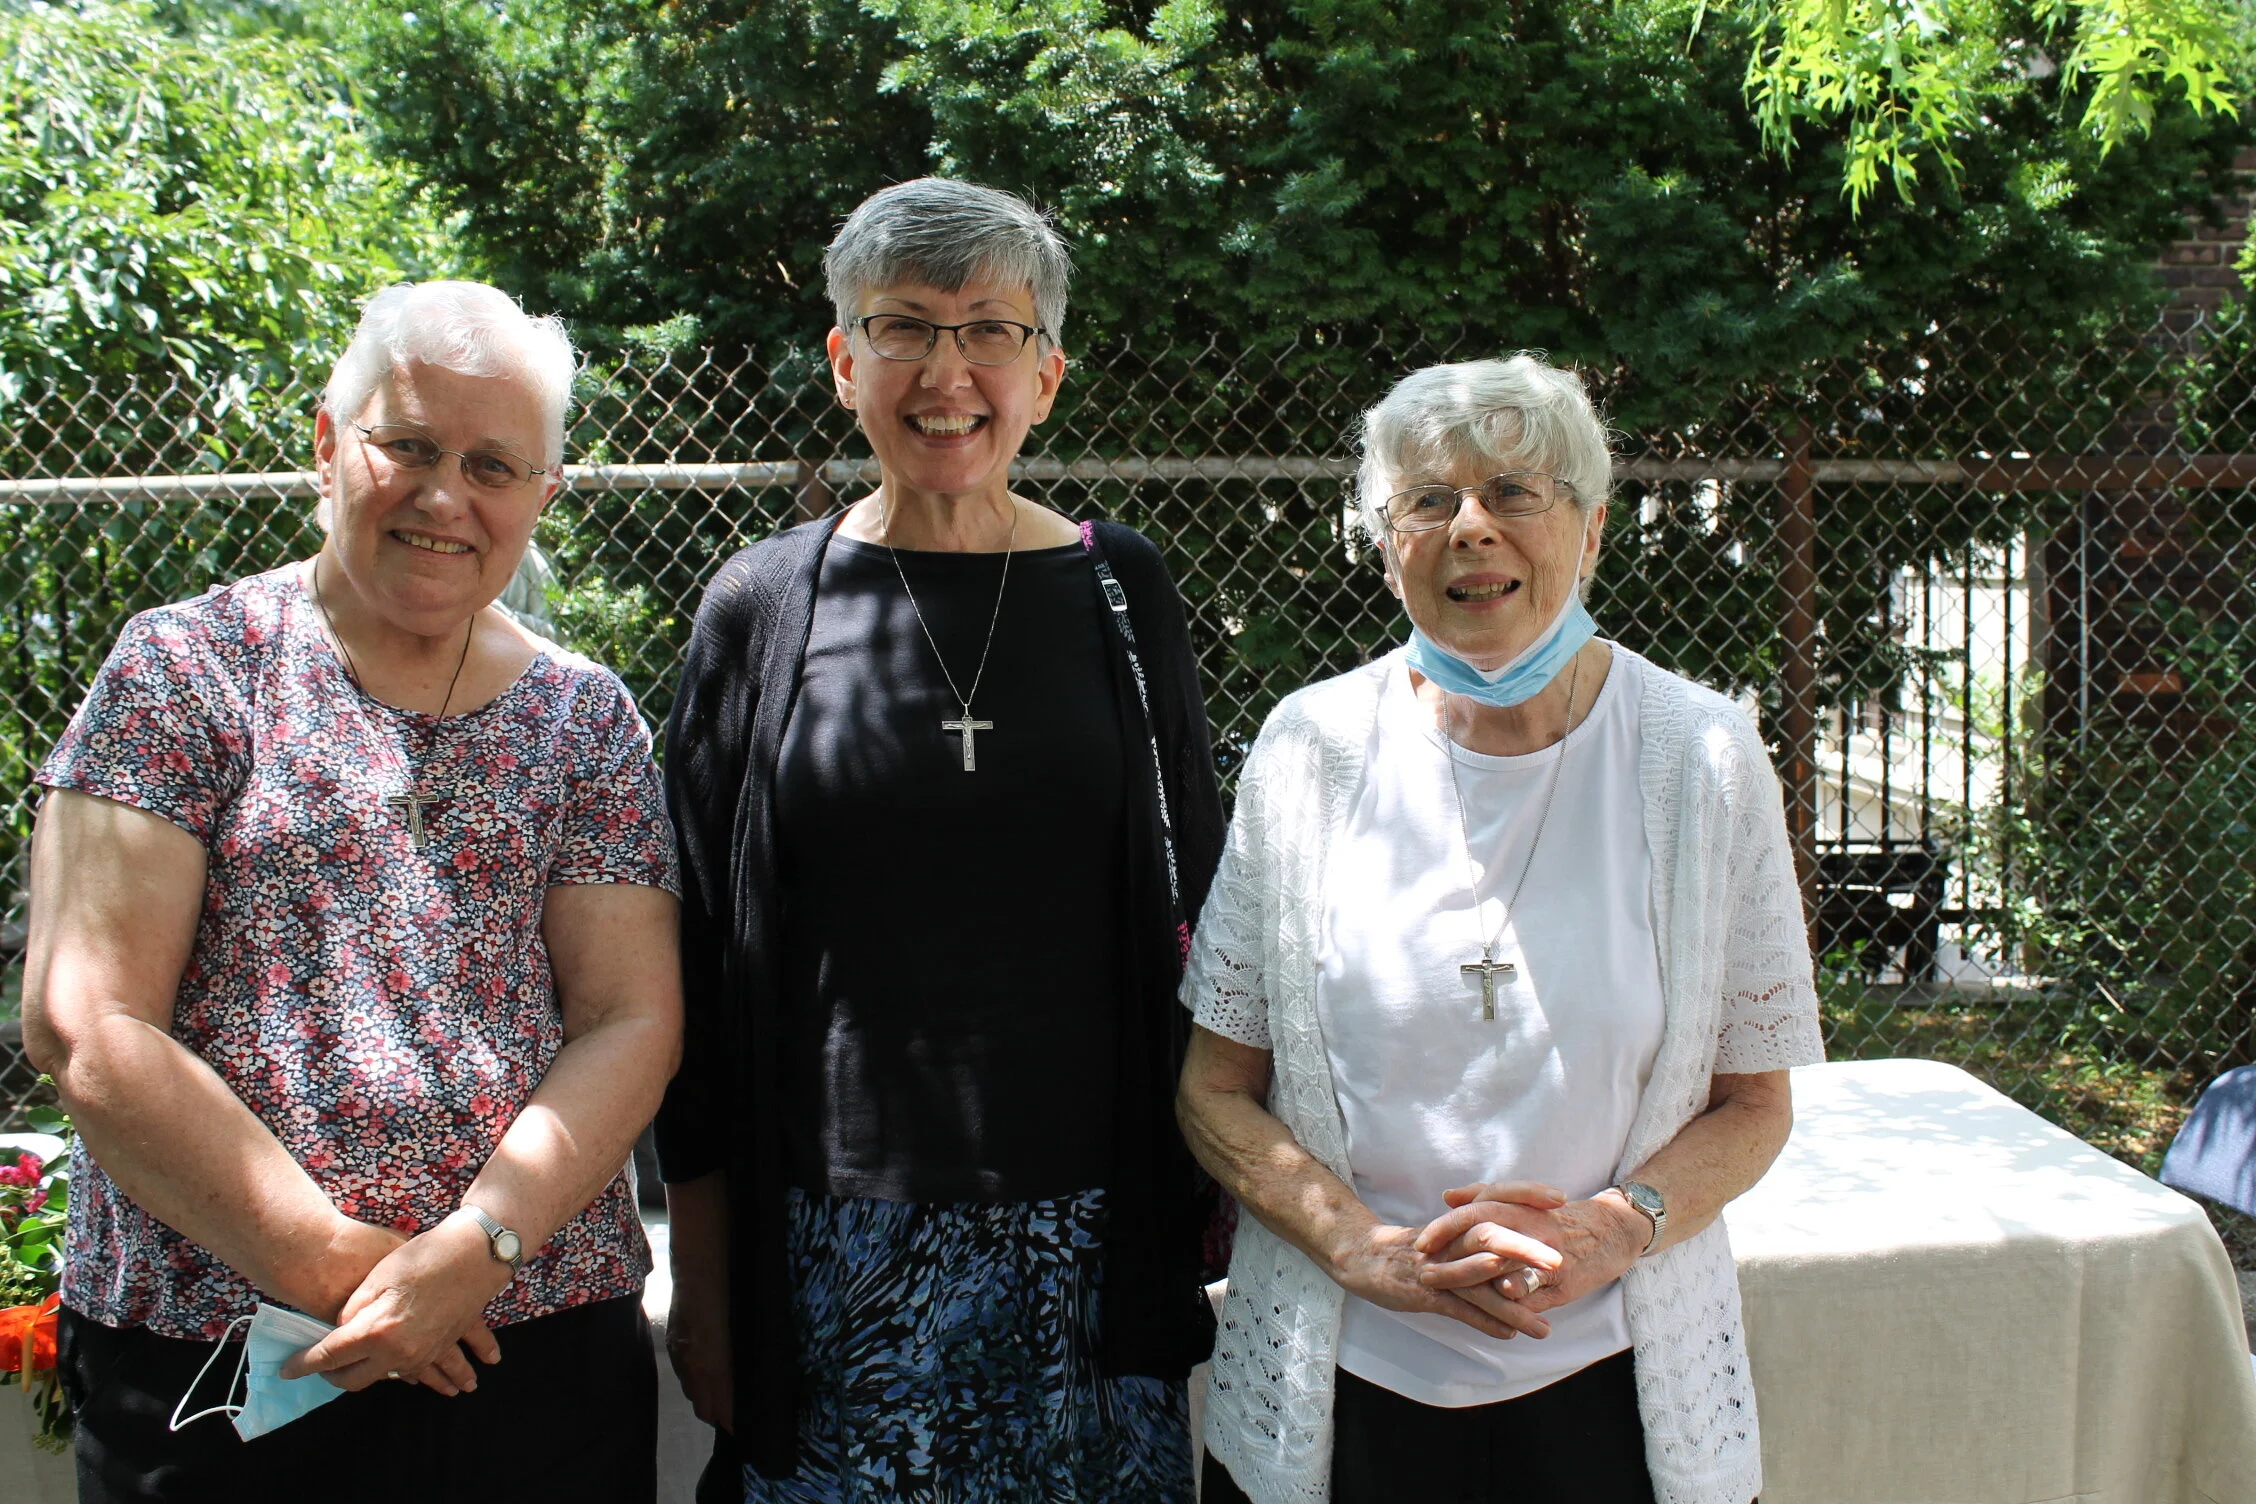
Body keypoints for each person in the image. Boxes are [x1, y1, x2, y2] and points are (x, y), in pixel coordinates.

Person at [21, 281, 683, 1502]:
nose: (446, 496)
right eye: (410, 446)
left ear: (542, 496)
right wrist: (350, 1270)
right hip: (220, 1353)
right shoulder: (184, 670)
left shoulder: (586, 717)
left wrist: (476, 1251)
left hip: (529, 1350)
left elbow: (629, 1017)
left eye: (494, 465)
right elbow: (87, 1020)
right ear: (330, 442)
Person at [655, 177, 1225, 1503]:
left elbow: (1205, 898)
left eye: (990, 331)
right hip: (833, 1246)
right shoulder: (761, 606)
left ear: (1049, 373)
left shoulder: (1120, 591)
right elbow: (690, 963)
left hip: (1092, 1243)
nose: (947, 370)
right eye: (905, 327)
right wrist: (708, 1275)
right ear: (846, 361)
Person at [1178, 355, 1824, 1504]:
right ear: (1387, 544)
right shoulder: (1307, 751)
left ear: (1592, 527)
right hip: (1341, 1394)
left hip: (1620, 1396)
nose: (1472, 528)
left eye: (1516, 491)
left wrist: (1620, 1229)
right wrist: (1352, 1244)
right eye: (1429, 500)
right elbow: (1214, 1089)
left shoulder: (1704, 757)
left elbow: (1755, 1104)